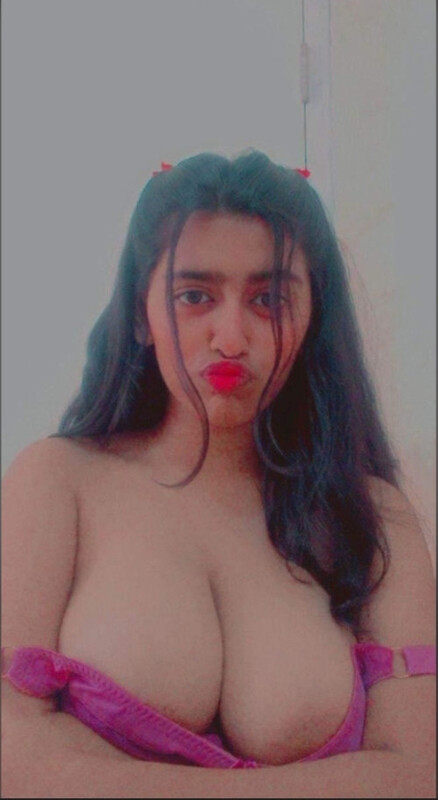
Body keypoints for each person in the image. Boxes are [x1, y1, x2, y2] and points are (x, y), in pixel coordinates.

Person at [2, 151, 435, 798]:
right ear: (141, 314)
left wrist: (89, 772)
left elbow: (418, 775)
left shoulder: (376, 518)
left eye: (269, 299)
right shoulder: (58, 481)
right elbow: (11, 759)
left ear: (313, 315)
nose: (231, 337)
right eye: (195, 296)